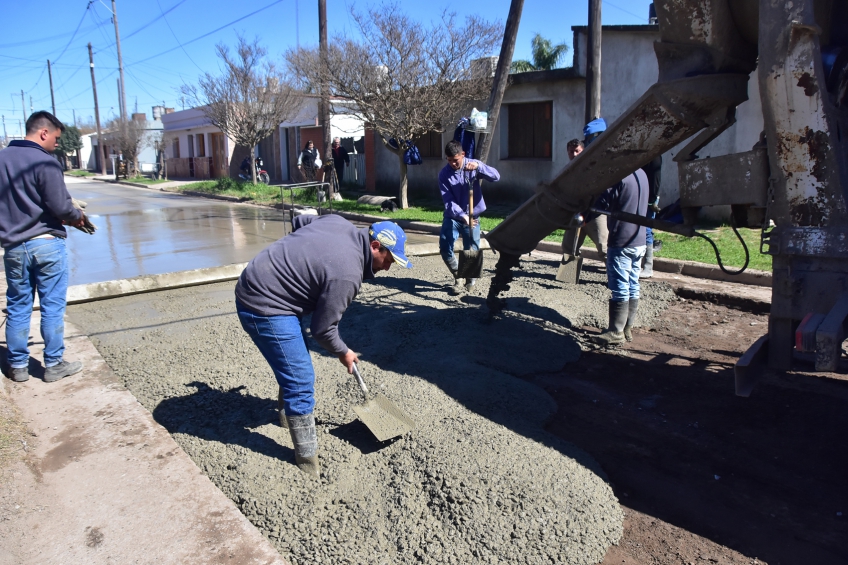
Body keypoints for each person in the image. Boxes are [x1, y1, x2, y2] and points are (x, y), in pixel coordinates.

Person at [234, 215, 412, 478]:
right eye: (388, 260)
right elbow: (322, 329)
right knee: (301, 379)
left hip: (262, 280)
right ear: (375, 246)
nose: (387, 268)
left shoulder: (338, 222)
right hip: (263, 303)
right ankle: (307, 462)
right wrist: (344, 351)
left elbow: (300, 220)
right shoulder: (347, 274)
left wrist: (295, 257)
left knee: (293, 359)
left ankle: (286, 418)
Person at [0, 111, 87, 383]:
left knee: (17, 305)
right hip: (46, 243)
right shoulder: (45, 162)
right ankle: (53, 365)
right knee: (51, 305)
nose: (57, 145)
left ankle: (18, 367)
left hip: (13, 247)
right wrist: (77, 217)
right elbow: (61, 207)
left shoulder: (1, 159)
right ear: (44, 133)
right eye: (57, 139)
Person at [592, 120, 649, 345]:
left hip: (622, 241)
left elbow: (603, 204)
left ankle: (615, 332)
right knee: (633, 282)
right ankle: (627, 329)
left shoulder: (617, 178)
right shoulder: (642, 175)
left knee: (620, 287)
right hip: (640, 239)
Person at [438, 140, 500, 295]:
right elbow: (448, 200)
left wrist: (480, 167)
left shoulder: (473, 165)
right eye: (449, 160)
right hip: (453, 216)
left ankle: (470, 280)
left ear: (463, 154)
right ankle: (457, 275)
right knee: (445, 247)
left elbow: (496, 177)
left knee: (471, 248)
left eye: (456, 160)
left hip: (474, 216)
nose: (453, 163)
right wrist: (462, 216)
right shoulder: (444, 174)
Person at [561, 138, 608, 263]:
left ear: (584, 151)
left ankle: (615, 277)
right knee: (569, 246)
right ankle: (568, 275)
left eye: (577, 151)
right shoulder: (568, 170)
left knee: (604, 247)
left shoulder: (593, 168)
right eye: (571, 151)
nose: (574, 154)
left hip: (594, 213)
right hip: (577, 213)